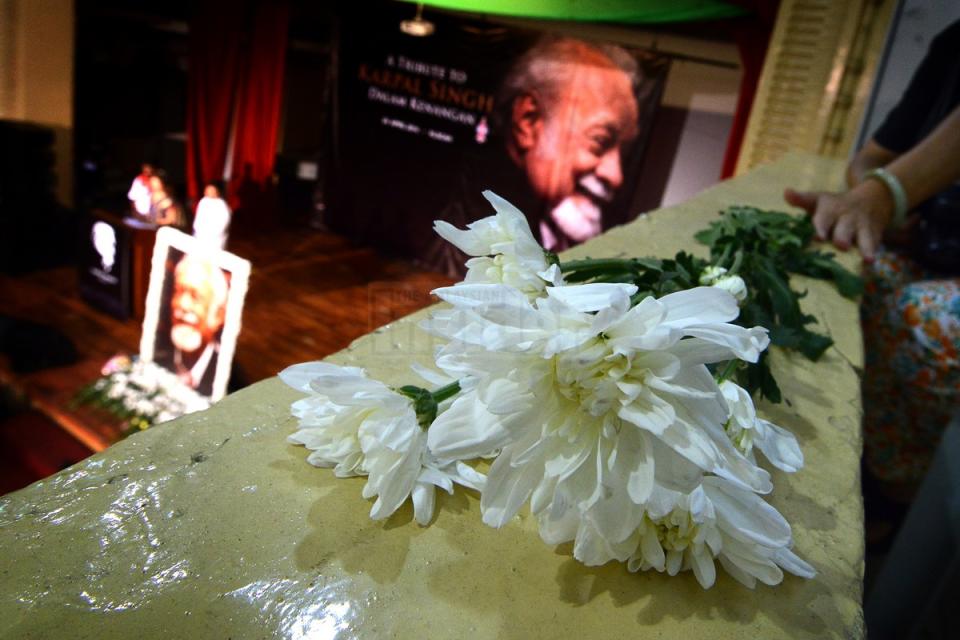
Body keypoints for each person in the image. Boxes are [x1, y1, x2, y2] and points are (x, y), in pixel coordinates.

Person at [782, 19, 960, 535]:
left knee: (925, 320)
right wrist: (875, 205)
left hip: (941, 276)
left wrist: (883, 195)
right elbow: (873, 156)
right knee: (847, 271)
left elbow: (883, 180)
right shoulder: (951, 43)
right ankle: (861, 451)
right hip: (929, 248)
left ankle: (895, 493)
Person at [427, 37, 642, 273]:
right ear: (528, 120)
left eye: (624, 151)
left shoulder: (545, 227)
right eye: (600, 140)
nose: (616, 175)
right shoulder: (463, 222)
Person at [168, 254, 229, 396]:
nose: (183, 305)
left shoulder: (224, 378)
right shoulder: (159, 356)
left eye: (196, 296)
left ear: (218, 316)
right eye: (179, 291)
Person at [193, 182, 231, 250]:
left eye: (212, 190)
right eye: (207, 190)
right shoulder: (203, 201)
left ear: (217, 192)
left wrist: (212, 234)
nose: (209, 192)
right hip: (200, 235)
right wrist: (198, 229)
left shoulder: (221, 205)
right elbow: (198, 218)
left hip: (215, 239)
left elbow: (223, 223)